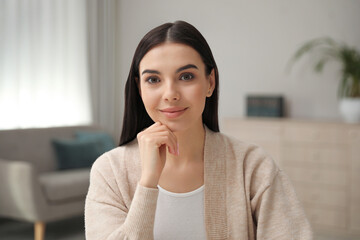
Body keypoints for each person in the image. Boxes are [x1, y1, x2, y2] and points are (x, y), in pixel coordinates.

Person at [84, 20, 313, 240]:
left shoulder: (253, 167)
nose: (170, 94)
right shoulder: (109, 172)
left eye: (186, 76)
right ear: (139, 88)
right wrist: (147, 182)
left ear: (210, 83)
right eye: (153, 79)